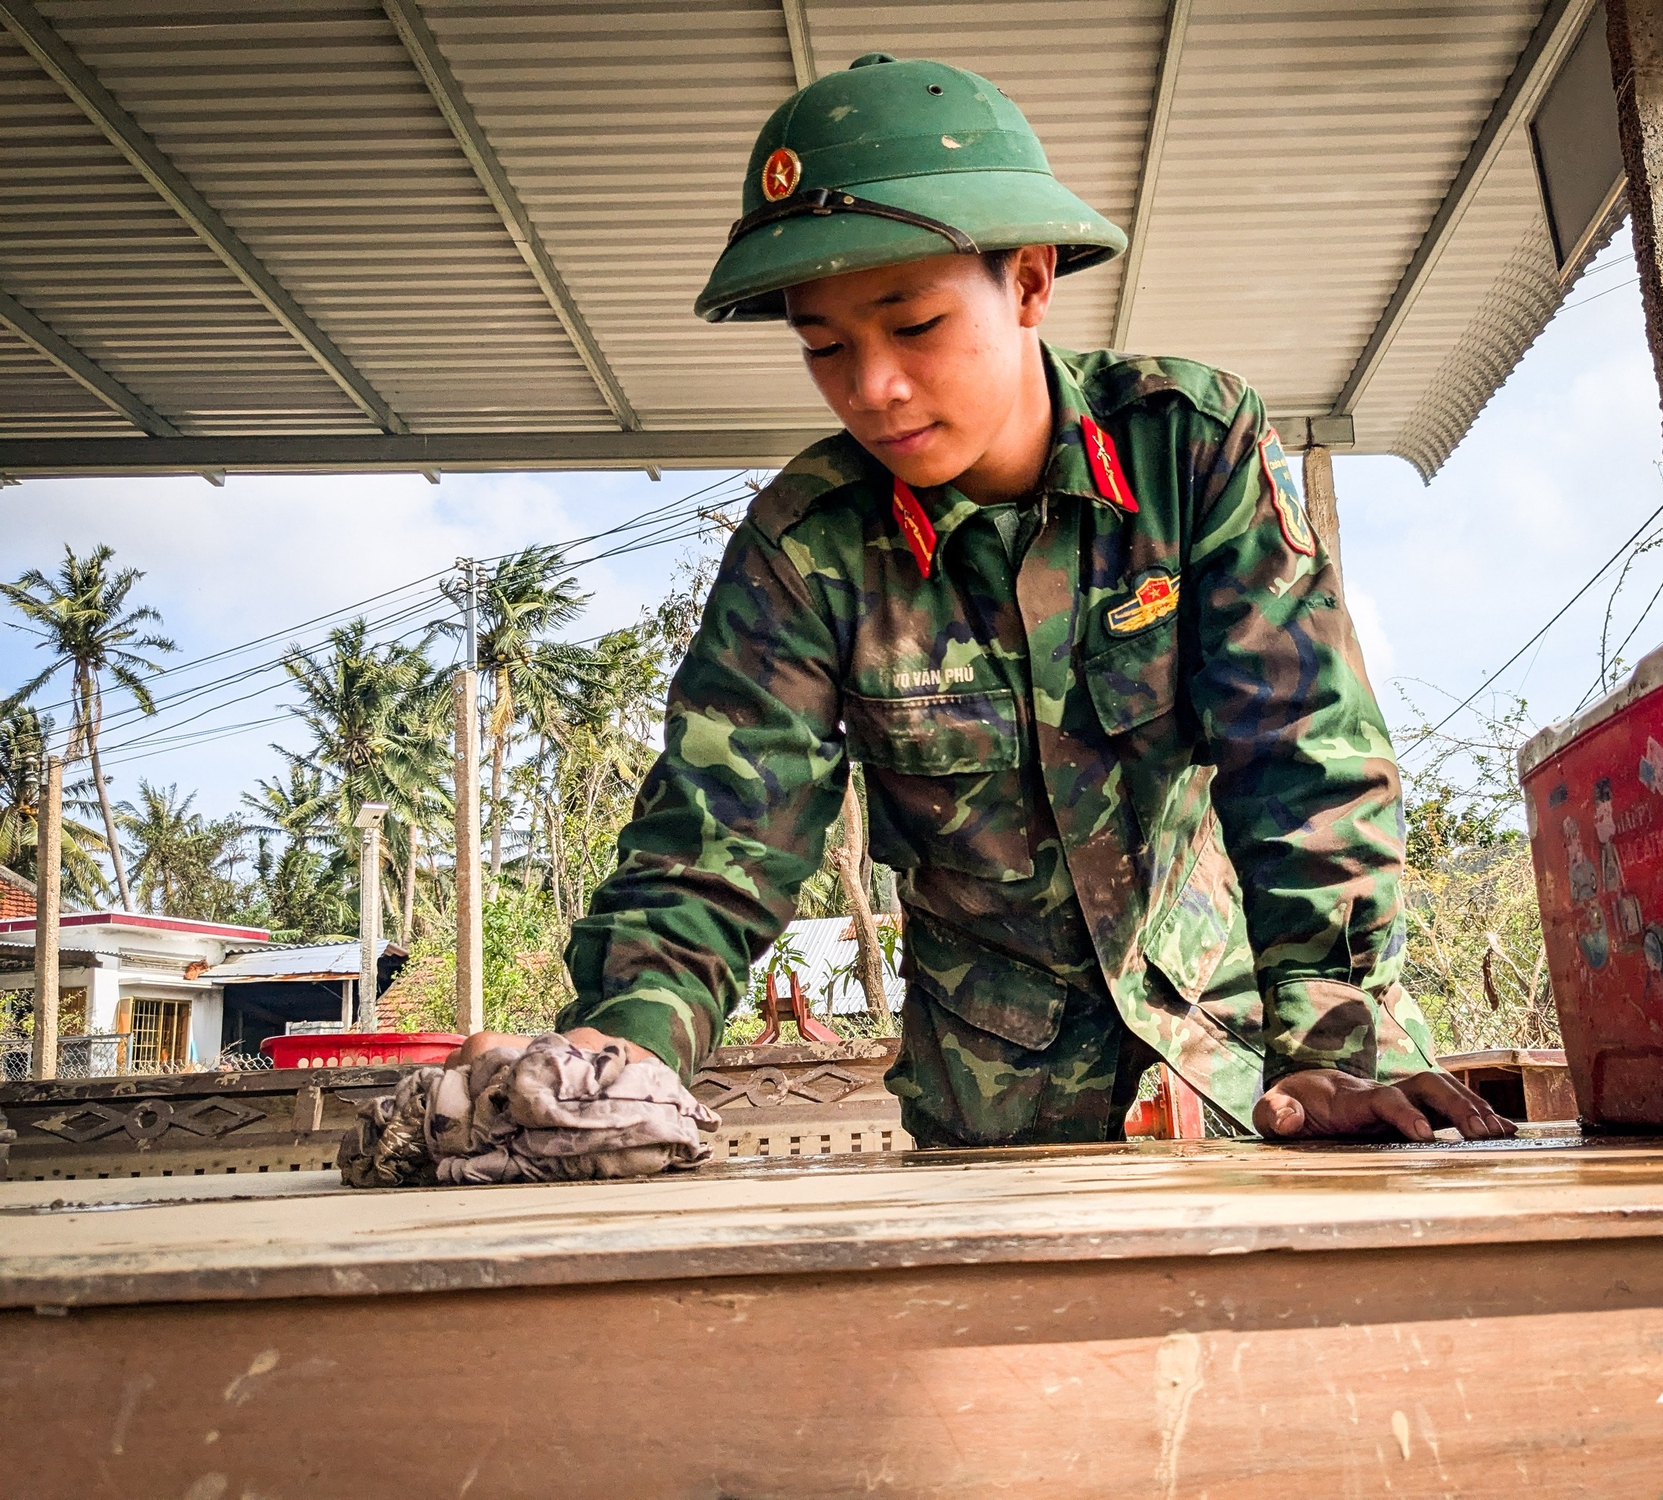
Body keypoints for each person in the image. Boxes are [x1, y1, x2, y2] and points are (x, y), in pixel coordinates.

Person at [464, 53, 1514, 1149]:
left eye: (913, 325)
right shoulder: (810, 545)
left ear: (1028, 283)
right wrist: (616, 1054)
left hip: (1254, 1080)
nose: (871, 387)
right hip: (997, 1122)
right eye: (823, 345)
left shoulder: (1186, 450)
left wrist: (1336, 1050)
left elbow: (1301, 755)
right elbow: (717, 842)